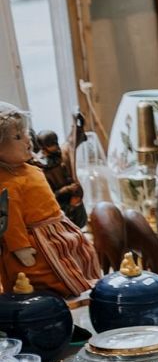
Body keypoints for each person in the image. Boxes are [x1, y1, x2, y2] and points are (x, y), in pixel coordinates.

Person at [0, 102, 100, 296]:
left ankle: (83, 284)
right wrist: (20, 247)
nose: (27, 139)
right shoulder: (7, 182)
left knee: (80, 253)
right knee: (49, 271)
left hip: (55, 227)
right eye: (17, 137)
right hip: (37, 238)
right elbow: (11, 220)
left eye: (25, 133)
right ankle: (59, 295)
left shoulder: (29, 168)